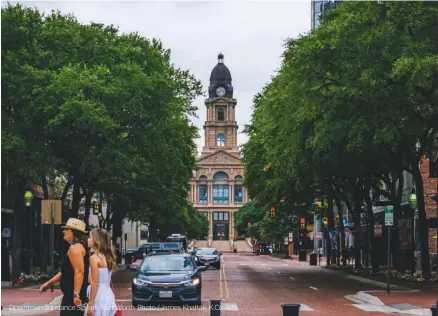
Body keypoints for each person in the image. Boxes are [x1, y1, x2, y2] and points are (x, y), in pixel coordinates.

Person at [40, 218, 89, 315]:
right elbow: (64, 271)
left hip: (73, 297)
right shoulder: (77, 247)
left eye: (66, 229)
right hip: (70, 296)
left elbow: (79, 271)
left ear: (73, 232)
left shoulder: (75, 248)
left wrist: (76, 295)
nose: (63, 231)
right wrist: (49, 283)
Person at [86, 228, 117, 316]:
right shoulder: (107, 257)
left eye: (90, 237)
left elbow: (93, 282)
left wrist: (90, 304)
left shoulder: (94, 258)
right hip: (108, 294)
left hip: (98, 296)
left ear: (96, 240)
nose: (88, 239)